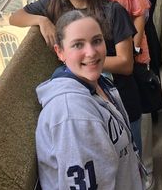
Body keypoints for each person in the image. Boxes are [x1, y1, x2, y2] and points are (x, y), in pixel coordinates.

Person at [9, 0, 143, 151]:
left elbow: (126, 64)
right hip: (86, 105)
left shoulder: (113, 11)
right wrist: (42, 21)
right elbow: (15, 17)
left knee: (133, 156)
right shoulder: (53, 6)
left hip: (122, 100)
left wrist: (81, 61)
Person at [35, 10, 144, 190]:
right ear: (60, 52)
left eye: (97, 41)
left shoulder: (97, 82)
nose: (91, 52)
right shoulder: (73, 114)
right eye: (78, 45)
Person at [70, 0, 151, 156]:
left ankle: (145, 171)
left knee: (135, 114)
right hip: (102, 68)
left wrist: (134, 46)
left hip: (128, 50)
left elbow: (140, 13)